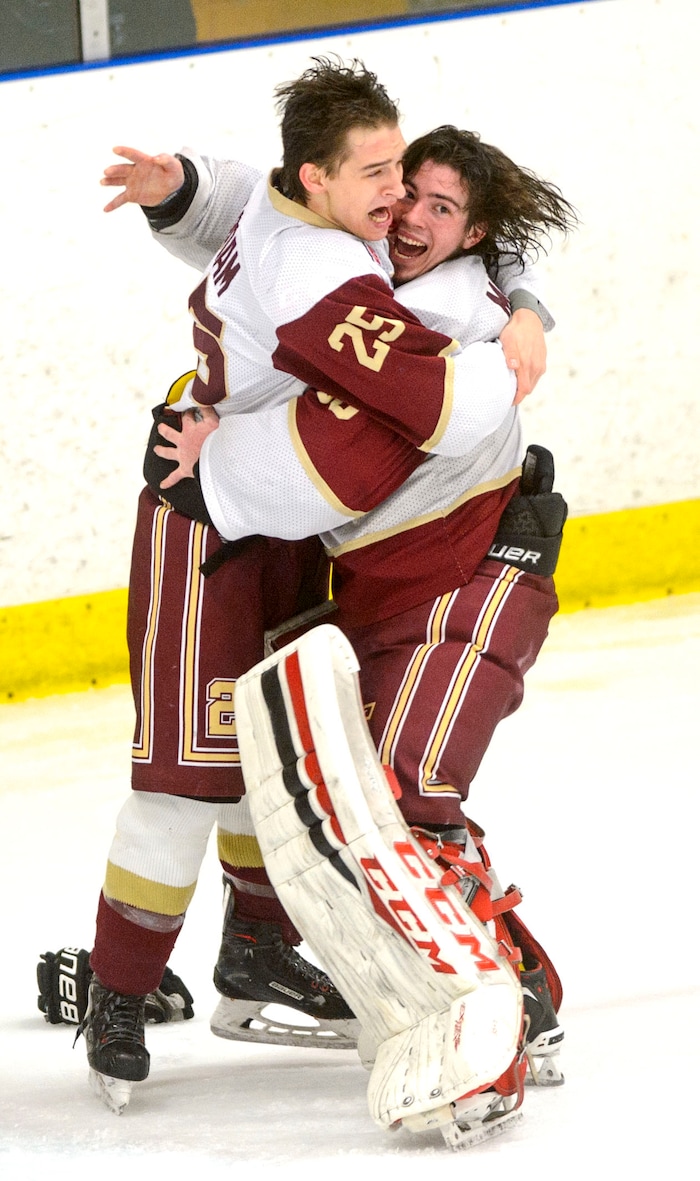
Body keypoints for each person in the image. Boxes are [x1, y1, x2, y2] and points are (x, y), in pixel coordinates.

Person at [84, 58, 572, 1119]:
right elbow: (420, 414)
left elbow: (238, 202)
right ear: (317, 175)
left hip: (282, 530)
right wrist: (508, 348)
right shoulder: (321, 270)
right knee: (184, 779)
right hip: (206, 520)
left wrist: (177, 186)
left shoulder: (310, 212)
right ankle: (115, 992)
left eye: (422, 186)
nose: (399, 199)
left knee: (286, 753)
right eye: (385, 175)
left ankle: (256, 950)